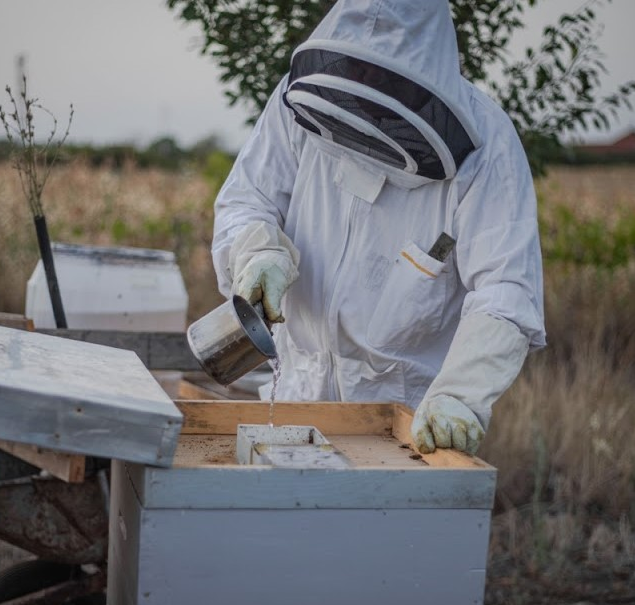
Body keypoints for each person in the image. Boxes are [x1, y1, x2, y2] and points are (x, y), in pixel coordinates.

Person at [211, 0, 546, 456]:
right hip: (294, 396)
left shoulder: (488, 145)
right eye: (359, 71)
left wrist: (459, 395)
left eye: (385, 79)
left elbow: (506, 291)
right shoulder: (296, 99)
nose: (367, 95)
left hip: (407, 424)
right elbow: (248, 200)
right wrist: (256, 253)